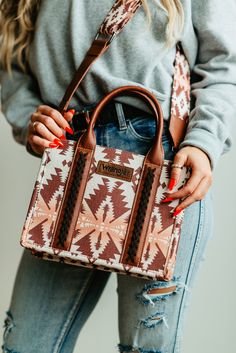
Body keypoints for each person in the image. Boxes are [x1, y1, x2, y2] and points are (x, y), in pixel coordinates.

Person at [0, 0, 235, 352]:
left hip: (164, 166)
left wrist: (204, 143)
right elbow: (10, 67)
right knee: (26, 346)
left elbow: (223, 63)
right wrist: (32, 118)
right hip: (70, 159)